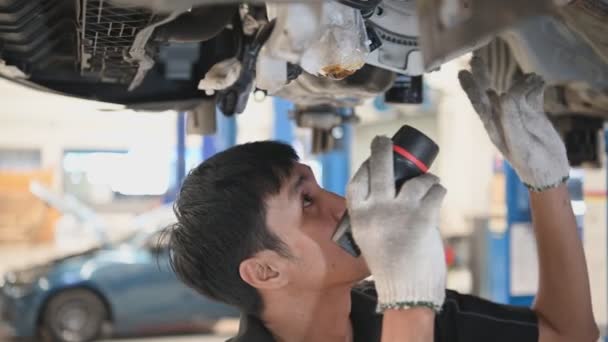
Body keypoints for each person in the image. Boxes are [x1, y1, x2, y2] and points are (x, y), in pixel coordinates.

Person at [165, 57, 599, 342]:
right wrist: (409, 306)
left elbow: (570, 335)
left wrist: (545, 181)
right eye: (307, 203)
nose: (341, 203)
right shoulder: (405, 301)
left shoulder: (380, 305)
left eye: (316, 187)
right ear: (264, 270)